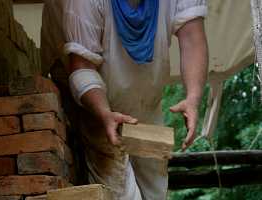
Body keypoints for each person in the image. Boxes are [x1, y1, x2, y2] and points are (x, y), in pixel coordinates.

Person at [41, 0, 208, 199]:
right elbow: (82, 67)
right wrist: (104, 113)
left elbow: (192, 37)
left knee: (155, 188)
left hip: (146, 100)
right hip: (96, 102)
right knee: (120, 192)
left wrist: (193, 98)